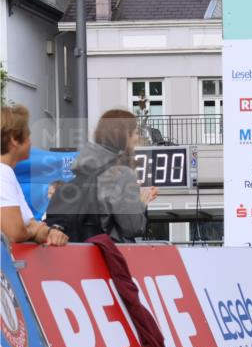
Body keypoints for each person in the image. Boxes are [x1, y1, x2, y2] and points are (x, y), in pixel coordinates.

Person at [68, 109, 157, 243]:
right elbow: (133, 227)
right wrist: (142, 203)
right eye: (135, 133)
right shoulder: (121, 174)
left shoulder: (82, 170)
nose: (137, 138)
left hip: (80, 252)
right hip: (107, 254)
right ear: (124, 136)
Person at [1, 104, 68, 246]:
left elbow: (31, 223)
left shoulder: (7, 173)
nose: (31, 142)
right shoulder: (3, 173)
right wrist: (32, 231)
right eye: (28, 135)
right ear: (14, 139)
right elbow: (14, 233)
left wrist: (46, 231)